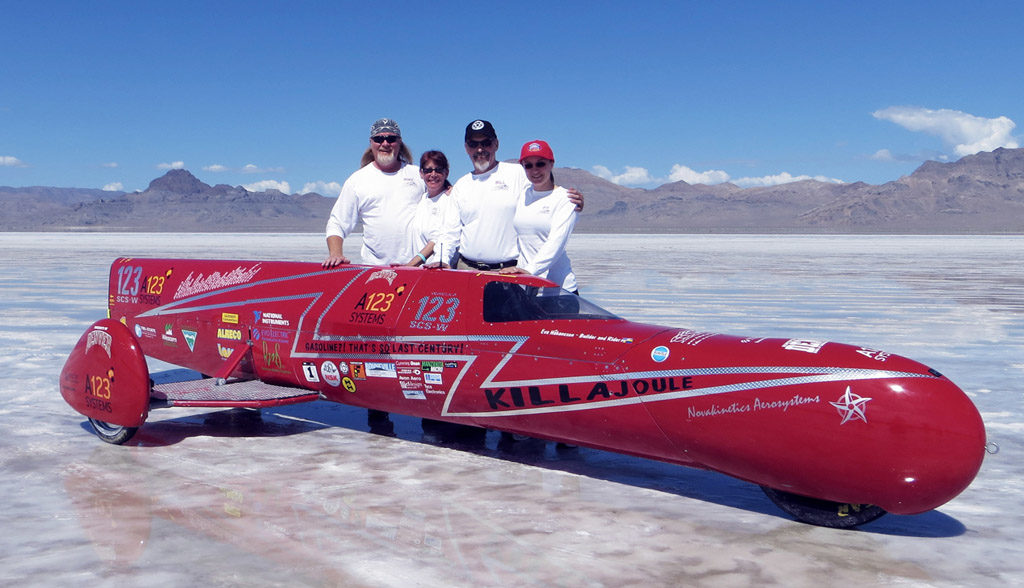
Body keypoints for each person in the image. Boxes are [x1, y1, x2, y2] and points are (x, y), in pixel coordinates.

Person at [441, 120, 582, 270]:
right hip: (467, 268)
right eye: (473, 144)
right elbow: (450, 231)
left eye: (486, 143)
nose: (480, 149)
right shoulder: (461, 185)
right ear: (466, 148)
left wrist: (571, 200)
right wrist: (442, 259)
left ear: (496, 144)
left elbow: (545, 193)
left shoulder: (518, 173)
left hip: (508, 270)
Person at [323, 118, 423, 268]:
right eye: (379, 139)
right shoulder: (357, 180)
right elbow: (337, 222)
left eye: (391, 139)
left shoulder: (418, 175)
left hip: (417, 267)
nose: (385, 144)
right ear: (371, 142)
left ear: (399, 142)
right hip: (375, 269)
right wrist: (335, 253)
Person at [499, 140, 578, 293]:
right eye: (528, 165)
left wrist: (530, 270)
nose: (535, 170)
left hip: (557, 290)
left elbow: (556, 242)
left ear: (551, 164)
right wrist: (449, 189)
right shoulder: (522, 195)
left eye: (540, 164)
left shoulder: (565, 198)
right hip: (526, 285)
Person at [405, 150, 455, 266]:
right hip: (418, 270)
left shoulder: (450, 200)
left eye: (438, 170)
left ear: (446, 173)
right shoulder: (422, 199)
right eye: (428, 170)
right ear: (421, 174)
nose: (433, 174)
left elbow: (437, 239)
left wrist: (412, 264)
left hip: (437, 270)